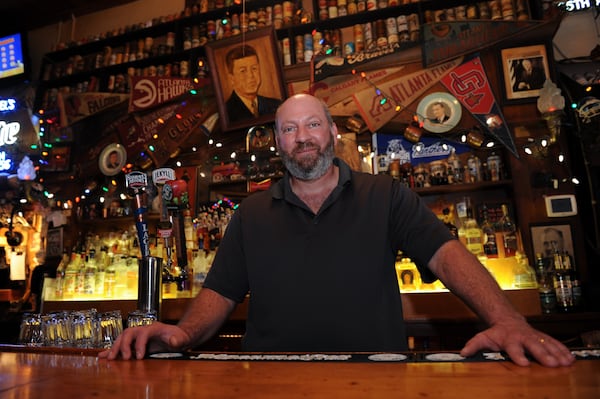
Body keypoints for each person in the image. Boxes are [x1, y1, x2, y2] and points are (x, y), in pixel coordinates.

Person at [100, 94, 574, 368]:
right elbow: (220, 294)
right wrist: (183, 335)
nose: (302, 136)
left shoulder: (386, 195)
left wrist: (506, 320)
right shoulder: (251, 213)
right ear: (278, 142)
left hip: (373, 377)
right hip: (269, 380)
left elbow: (446, 254)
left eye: (312, 124)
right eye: (289, 129)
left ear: (330, 132)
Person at [224, 44, 281, 123]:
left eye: (254, 68)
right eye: (243, 71)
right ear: (232, 78)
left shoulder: (277, 105)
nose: (250, 76)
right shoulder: (225, 113)